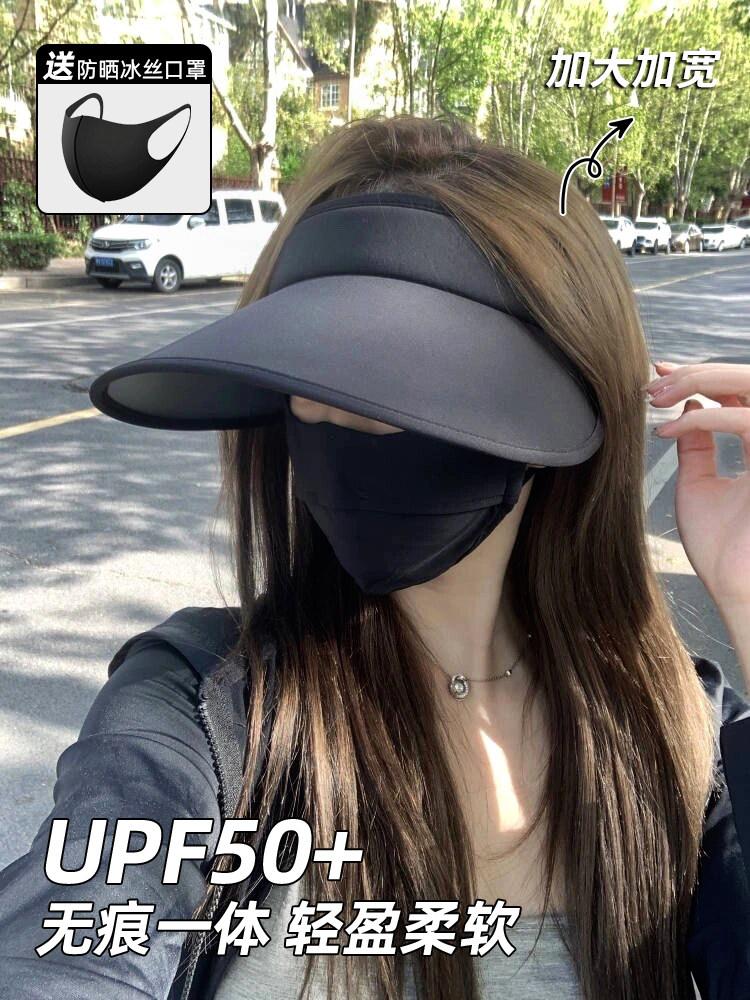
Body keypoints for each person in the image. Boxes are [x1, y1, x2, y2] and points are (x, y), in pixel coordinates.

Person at [1, 114, 749, 1000]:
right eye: (307, 388)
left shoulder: (682, 733)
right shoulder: (207, 711)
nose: (334, 426)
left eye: (395, 385)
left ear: (551, 412)